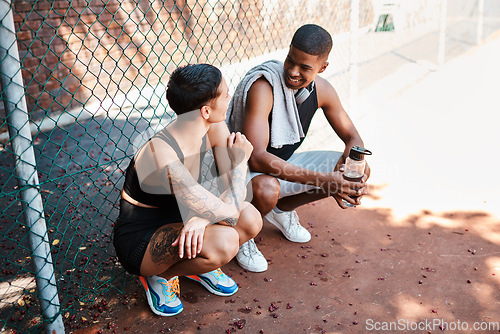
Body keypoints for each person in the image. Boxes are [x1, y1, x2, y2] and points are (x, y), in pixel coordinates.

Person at [113, 64, 262, 316]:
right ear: (205, 110)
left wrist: (203, 218)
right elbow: (230, 207)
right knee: (225, 242)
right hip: (142, 238)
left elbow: (233, 195)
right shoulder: (161, 155)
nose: (229, 98)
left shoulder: (212, 126)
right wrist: (240, 162)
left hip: (187, 218)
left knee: (251, 218)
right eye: (225, 95)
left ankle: (197, 265)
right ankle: (159, 275)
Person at [226, 24, 371, 272]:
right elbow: (258, 158)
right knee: (267, 188)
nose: (293, 72)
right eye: (290, 60)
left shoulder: (323, 90)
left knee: (359, 169)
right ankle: (243, 234)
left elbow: (353, 138)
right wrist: (326, 180)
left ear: (322, 68)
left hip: (282, 165)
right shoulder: (264, 87)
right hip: (240, 175)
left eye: (305, 67)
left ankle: (282, 211)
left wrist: (350, 170)